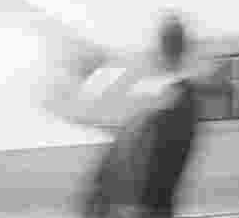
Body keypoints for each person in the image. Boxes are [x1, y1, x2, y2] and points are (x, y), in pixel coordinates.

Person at [81, 13, 199, 218]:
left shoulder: (170, 98)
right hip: (147, 203)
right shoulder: (176, 96)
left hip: (143, 204)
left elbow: (151, 153)